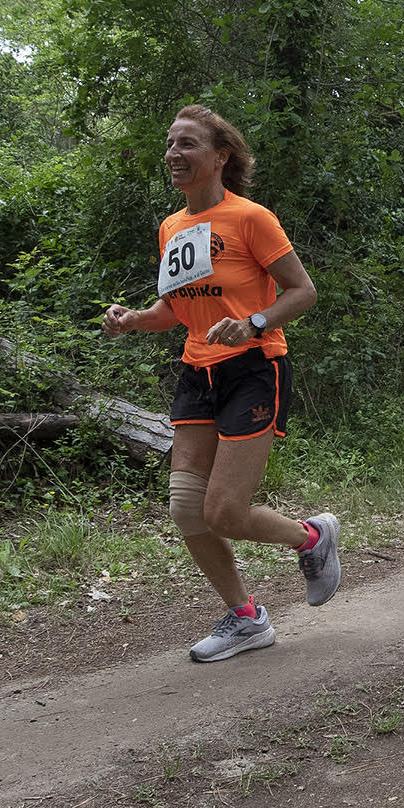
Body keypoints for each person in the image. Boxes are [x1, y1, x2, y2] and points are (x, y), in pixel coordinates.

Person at [101, 104, 340, 663]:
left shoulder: (251, 218)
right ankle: (247, 617)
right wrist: (134, 318)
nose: (173, 154)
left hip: (254, 369)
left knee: (225, 512)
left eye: (187, 144)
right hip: (197, 369)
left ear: (220, 156)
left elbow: (302, 292)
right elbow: (175, 308)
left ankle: (311, 538)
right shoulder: (173, 227)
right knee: (188, 508)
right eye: (170, 143)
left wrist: (254, 323)